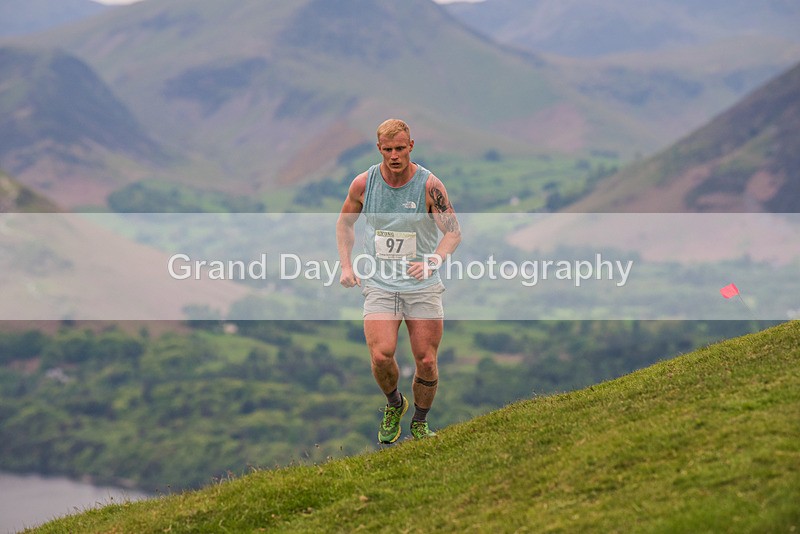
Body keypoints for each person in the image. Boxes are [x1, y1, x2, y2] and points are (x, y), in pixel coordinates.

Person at [337, 118, 461, 444]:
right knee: (381, 355)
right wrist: (346, 267)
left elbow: (453, 232)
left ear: (411, 147)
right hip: (380, 282)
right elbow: (344, 225)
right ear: (379, 149)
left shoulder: (428, 185)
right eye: (388, 149)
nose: (394, 155)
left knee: (426, 361)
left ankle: (420, 423)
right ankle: (395, 403)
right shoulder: (364, 184)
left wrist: (434, 259)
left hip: (421, 285)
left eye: (400, 148)